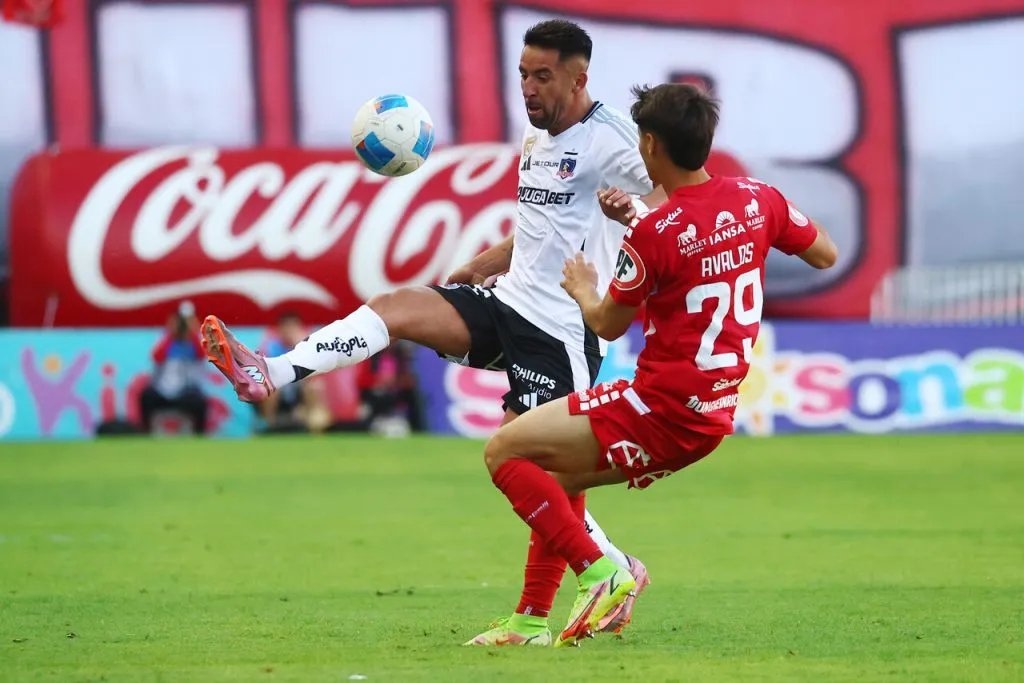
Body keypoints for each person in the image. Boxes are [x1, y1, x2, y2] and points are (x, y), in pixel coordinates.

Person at [201, 19, 665, 645]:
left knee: (545, 471)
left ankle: (555, 605)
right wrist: (482, 264)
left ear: (580, 77)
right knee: (398, 306)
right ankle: (271, 372)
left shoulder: (611, 141)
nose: (527, 87)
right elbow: (541, 227)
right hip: (508, 302)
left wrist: (636, 227)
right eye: (523, 73)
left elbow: (670, 196)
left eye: (543, 75)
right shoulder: (537, 132)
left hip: (561, 331)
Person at [480, 82, 839, 647]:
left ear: (649, 144)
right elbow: (825, 253)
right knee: (554, 481)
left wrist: (581, 286)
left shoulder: (654, 233)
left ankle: (603, 575)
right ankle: (529, 623)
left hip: (656, 406)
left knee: (503, 450)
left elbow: (606, 324)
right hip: (710, 418)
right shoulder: (757, 199)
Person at [139, 301, 209, 435]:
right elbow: (156, 357)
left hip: (186, 391)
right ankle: (146, 433)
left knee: (200, 404)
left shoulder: (196, 339)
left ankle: (199, 436)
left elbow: (201, 355)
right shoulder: (165, 337)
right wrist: (172, 333)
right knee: (145, 397)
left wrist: (192, 331)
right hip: (162, 390)